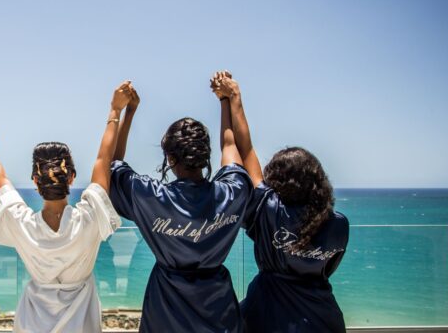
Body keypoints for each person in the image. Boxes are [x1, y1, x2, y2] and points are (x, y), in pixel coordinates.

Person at [0, 81, 133, 333]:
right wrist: (116, 110)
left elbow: (1, 180)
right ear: (72, 177)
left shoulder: (22, 223)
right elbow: (104, 160)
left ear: (34, 180)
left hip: (32, 322)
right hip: (81, 324)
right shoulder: (90, 216)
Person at [109, 78, 253, 333]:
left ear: (171, 158)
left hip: (165, 313)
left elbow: (111, 166)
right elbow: (231, 146)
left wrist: (127, 112)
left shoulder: (151, 197)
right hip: (218, 314)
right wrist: (225, 101)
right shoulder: (232, 194)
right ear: (205, 156)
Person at [213, 71, 349, 333]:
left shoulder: (267, 209)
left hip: (267, 314)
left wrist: (231, 98)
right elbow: (326, 270)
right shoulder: (338, 224)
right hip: (322, 319)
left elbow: (245, 150)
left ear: (277, 181)